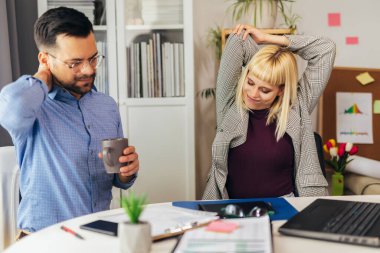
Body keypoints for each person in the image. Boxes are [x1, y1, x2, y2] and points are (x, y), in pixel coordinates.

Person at [0, 7, 139, 237]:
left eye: (93, 58)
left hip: (99, 234)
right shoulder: (33, 107)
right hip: (45, 240)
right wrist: (43, 77)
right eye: (74, 63)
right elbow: (9, 109)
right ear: (45, 59)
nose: (88, 70)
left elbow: (117, 179)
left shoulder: (107, 106)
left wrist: (126, 172)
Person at [203, 25, 336, 200]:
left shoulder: (296, 106)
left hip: (285, 208)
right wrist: (264, 63)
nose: (252, 94)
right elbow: (237, 41)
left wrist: (270, 39)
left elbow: (325, 49)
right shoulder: (229, 104)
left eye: (265, 90)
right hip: (234, 210)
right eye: (250, 82)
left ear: (281, 90)